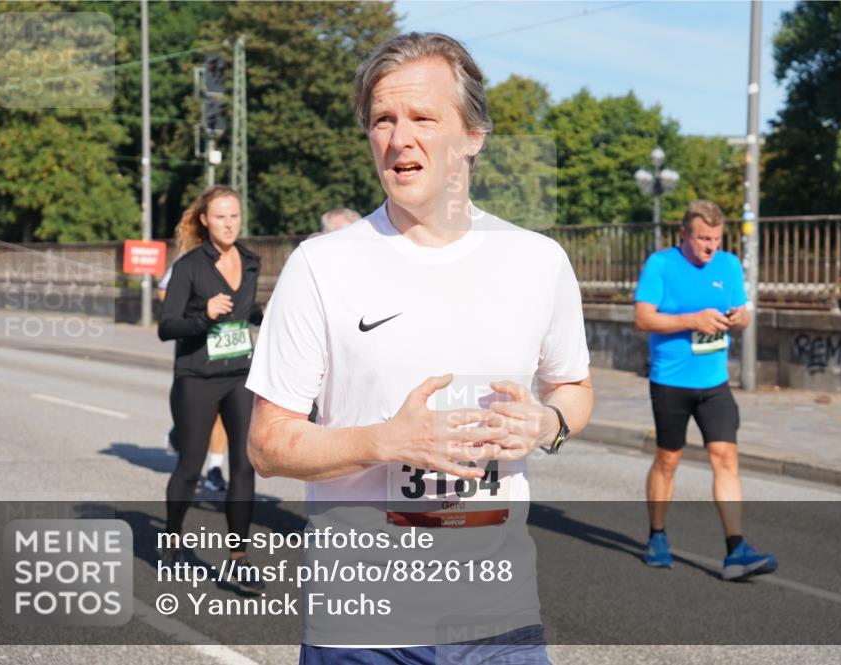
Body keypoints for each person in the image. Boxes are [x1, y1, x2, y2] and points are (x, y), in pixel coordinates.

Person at [246, 32, 593, 663]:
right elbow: (267, 446)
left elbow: (573, 385)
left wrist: (550, 423)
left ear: (472, 136)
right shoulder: (320, 266)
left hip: (499, 620)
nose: (398, 138)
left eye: (423, 118)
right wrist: (385, 440)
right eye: (383, 119)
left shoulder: (538, 261)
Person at [634, 199, 777, 581]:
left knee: (726, 458)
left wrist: (739, 317)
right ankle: (657, 536)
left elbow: (743, 312)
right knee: (668, 460)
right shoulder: (661, 265)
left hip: (714, 384)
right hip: (670, 383)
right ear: (684, 234)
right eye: (702, 239)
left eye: (715, 238)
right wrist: (691, 320)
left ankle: (736, 550)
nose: (710, 246)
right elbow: (643, 318)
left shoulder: (728, 265)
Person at [157, 185, 264, 590]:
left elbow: (244, 307)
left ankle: (239, 556)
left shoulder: (251, 262)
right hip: (196, 378)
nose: (229, 223)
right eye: (220, 216)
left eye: (234, 215)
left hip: (239, 375)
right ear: (205, 220)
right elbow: (167, 327)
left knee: (243, 464)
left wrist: (261, 313)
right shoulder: (189, 267)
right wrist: (204, 315)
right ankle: (171, 541)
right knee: (190, 465)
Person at [157, 257, 228, 492]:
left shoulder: (239, 261)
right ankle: (180, 432)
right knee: (193, 411)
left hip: (226, 345)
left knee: (222, 412)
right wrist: (199, 310)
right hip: (194, 345)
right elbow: (164, 293)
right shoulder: (187, 262)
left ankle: (215, 468)